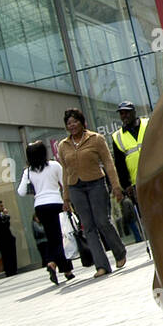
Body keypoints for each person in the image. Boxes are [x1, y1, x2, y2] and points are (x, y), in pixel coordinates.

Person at [57, 108, 127, 278]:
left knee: (102, 221)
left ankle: (119, 253)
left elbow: (108, 163)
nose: (72, 125)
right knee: (88, 227)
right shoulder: (63, 145)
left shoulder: (96, 139)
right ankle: (101, 266)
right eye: (69, 123)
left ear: (82, 122)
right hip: (75, 188)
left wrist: (116, 186)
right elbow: (65, 172)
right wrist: (65, 198)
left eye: (75, 122)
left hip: (96, 183)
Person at [18, 139, 74, 284]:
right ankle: (65, 269)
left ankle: (52, 263)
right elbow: (65, 183)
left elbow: (21, 192)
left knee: (52, 237)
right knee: (61, 237)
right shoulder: (54, 166)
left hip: (40, 206)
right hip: (56, 203)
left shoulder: (28, 172)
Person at [111, 102, 148, 234]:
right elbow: (119, 164)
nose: (124, 115)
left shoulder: (148, 124)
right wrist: (126, 185)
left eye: (126, 112)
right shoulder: (117, 137)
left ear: (134, 112)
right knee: (146, 216)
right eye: (121, 113)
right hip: (136, 183)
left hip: (156, 176)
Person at [0, 200, 18, 276]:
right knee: (7, 256)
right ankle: (10, 271)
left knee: (12, 255)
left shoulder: (0, 215)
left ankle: (13, 270)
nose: (3, 207)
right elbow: (3, 227)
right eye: (1, 206)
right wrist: (6, 217)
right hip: (3, 240)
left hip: (9, 238)